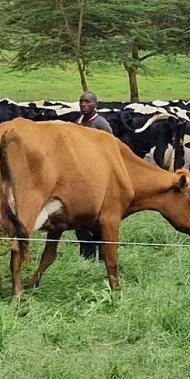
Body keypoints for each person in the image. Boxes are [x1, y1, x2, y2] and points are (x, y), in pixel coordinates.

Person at [76, 90, 111, 259]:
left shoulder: (101, 124)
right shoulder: (79, 122)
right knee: (81, 223)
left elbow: (110, 150)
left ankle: (102, 258)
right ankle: (86, 258)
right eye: (82, 101)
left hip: (96, 176)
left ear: (95, 105)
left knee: (97, 221)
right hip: (80, 175)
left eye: (88, 102)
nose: (84, 104)